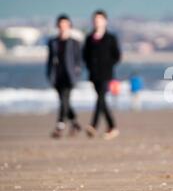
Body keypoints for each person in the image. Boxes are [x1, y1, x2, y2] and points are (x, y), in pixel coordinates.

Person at [82, 10, 121, 140]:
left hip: (106, 74)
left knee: (100, 99)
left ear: (105, 21)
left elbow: (117, 56)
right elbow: (85, 56)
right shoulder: (89, 38)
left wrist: (108, 64)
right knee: (102, 100)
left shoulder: (111, 38)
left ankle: (93, 125)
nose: (97, 22)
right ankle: (112, 127)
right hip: (94, 74)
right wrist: (90, 67)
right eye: (95, 19)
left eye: (99, 19)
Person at [46, 14, 82, 138]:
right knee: (64, 101)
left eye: (65, 25)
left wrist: (77, 73)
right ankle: (75, 123)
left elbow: (78, 60)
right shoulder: (53, 42)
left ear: (69, 26)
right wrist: (49, 75)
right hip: (57, 76)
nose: (63, 27)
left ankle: (60, 125)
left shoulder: (74, 43)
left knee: (64, 101)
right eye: (61, 25)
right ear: (58, 26)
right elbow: (50, 60)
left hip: (69, 76)